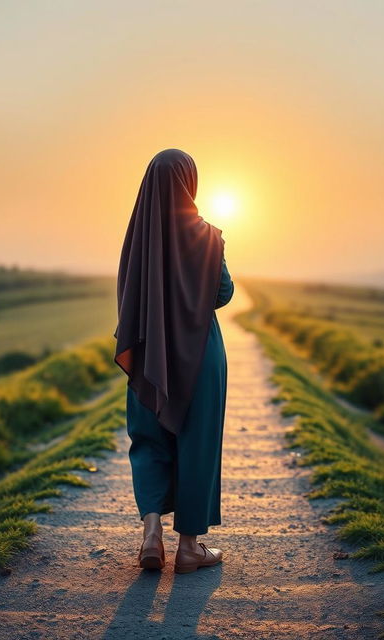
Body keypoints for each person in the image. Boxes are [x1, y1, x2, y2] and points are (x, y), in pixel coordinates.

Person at [113, 148, 234, 574]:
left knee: (148, 440)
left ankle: (151, 534)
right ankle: (188, 547)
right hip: (201, 353)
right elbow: (223, 294)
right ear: (190, 182)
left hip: (150, 356)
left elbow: (126, 297)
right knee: (197, 443)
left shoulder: (136, 236)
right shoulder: (207, 235)